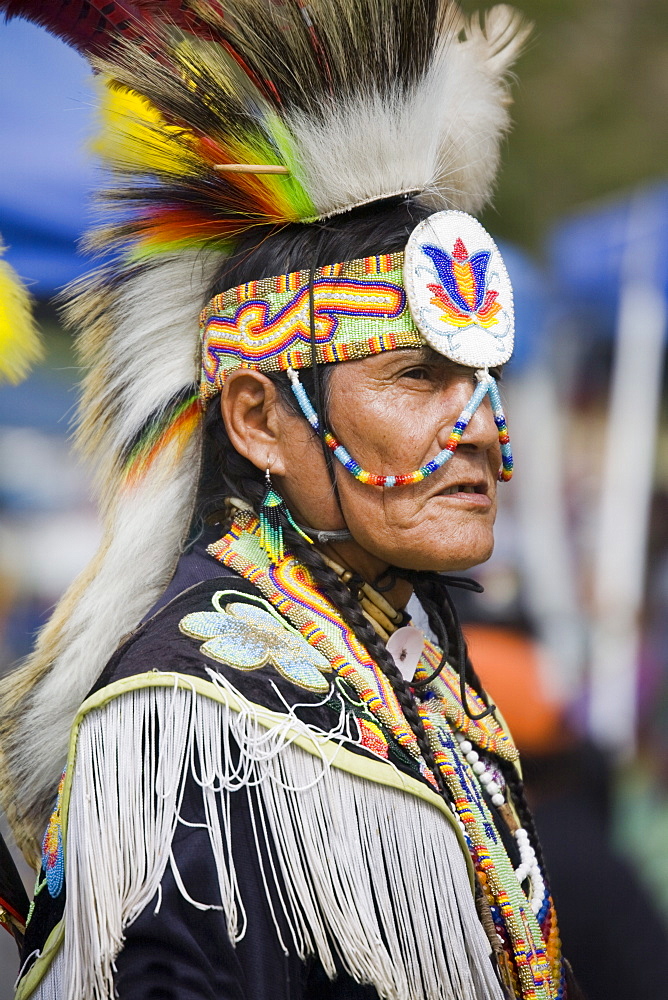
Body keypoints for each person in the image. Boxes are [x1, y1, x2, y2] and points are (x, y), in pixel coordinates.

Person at [0, 2, 584, 998]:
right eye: (417, 376)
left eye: (482, 379)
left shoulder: (416, 670)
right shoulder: (191, 720)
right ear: (259, 418)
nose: (483, 424)